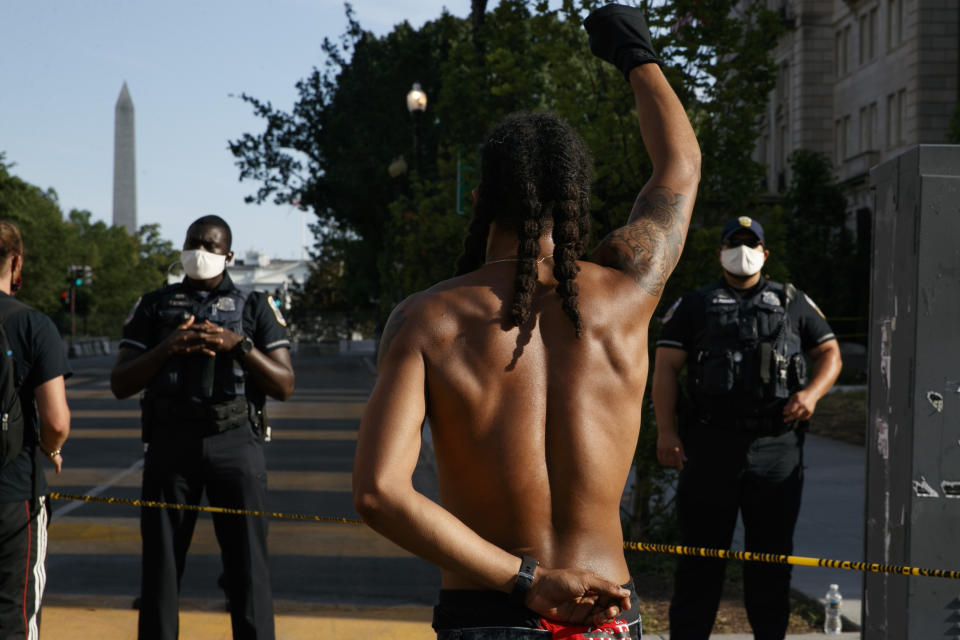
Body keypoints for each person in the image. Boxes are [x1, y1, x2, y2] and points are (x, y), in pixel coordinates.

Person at [352, 5, 700, 639]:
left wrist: (529, 580)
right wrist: (634, 52)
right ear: (576, 205)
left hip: (490, 613)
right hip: (607, 615)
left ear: (482, 200)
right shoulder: (628, 295)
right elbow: (679, 167)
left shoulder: (426, 321)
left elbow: (379, 492)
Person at [652, 216, 842, 640]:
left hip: (776, 446)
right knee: (700, 558)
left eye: (751, 243)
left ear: (764, 252)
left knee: (771, 559)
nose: (743, 250)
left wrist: (810, 395)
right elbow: (665, 368)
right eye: (734, 243)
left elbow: (830, 353)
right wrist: (666, 431)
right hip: (710, 444)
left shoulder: (792, 301)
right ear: (721, 252)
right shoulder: (695, 305)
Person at [110, 215, 294, 640]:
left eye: (211, 247)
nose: (201, 253)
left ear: (228, 255)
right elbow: (121, 382)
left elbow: (284, 385)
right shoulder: (155, 305)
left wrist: (239, 346)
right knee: (161, 569)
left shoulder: (255, 306)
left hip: (235, 443)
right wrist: (167, 347)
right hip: (171, 446)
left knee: (248, 570)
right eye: (193, 243)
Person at [0, 221, 71, 640]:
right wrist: (51, 447)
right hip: (15, 494)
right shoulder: (33, 325)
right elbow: (56, 420)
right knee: (15, 611)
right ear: (17, 261)